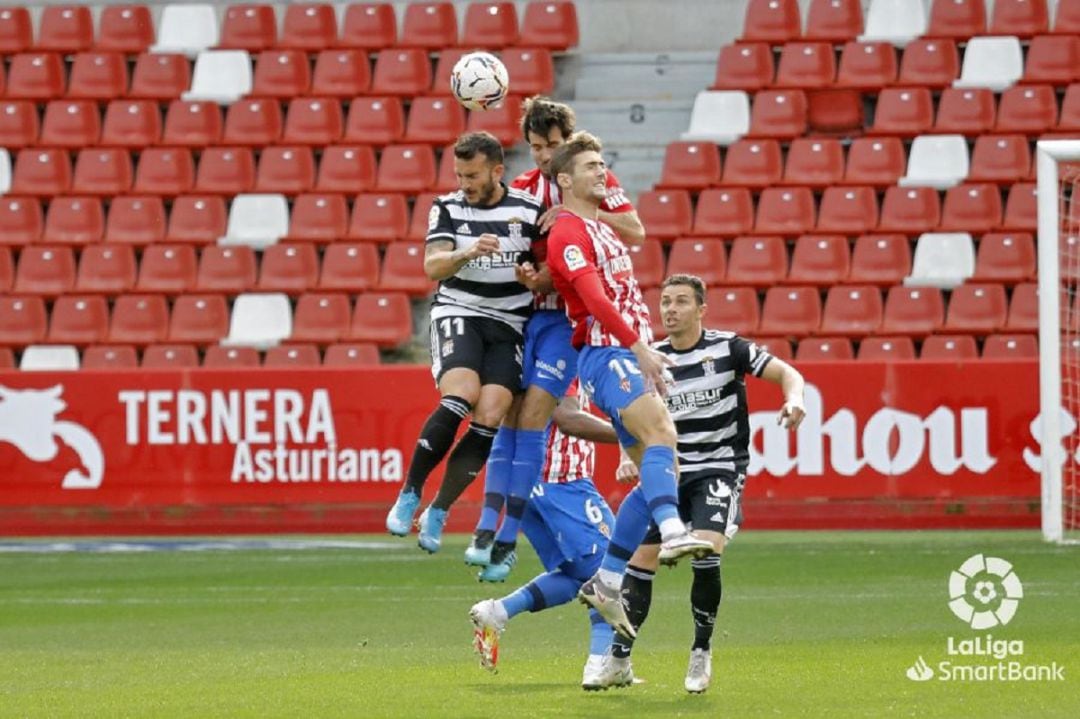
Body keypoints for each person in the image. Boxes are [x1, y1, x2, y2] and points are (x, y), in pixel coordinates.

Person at [595, 274, 807, 693]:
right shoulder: (650, 359)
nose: (670, 310)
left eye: (680, 302)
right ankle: (619, 658)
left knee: (706, 552)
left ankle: (701, 652)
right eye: (665, 302)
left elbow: (789, 374)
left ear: (700, 309)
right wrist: (625, 456)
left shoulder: (729, 348)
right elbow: (630, 420)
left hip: (718, 468)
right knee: (641, 562)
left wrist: (795, 399)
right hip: (668, 475)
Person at [467, 97, 645, 582]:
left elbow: (636, 230)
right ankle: (499, 536)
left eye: (554, 145)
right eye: (538, 147)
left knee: (559, 415)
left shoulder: (591, 184)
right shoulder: (521, 188)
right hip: (525, 318)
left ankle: (636, 443)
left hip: (567, 323)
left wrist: (582, 215)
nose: (546, 156)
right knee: (507, 414)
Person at [544, 132, 714, 638]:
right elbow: (593, 298)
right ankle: (674, 531)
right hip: (606, 353)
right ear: (566, 180)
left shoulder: (601, 227)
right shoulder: (567, 233)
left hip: (629, 352)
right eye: (593, 166)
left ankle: (608, 578)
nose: (604, 172)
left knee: (657, 470)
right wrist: (638, 347)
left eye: (604, 164)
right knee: (663, 432)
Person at [385, 132, 542, 553]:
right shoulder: (448, 206)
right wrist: (466, 253)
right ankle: (410, 492)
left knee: (490, 414)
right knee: (462, 396)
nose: (464, 183)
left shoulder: (529, 210)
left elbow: (544, 269)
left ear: (496, 170)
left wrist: (535, 279)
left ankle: (439, 508)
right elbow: (433, 265)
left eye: (472, 175)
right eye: (459, 174)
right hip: (461, 311)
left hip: (510, 323)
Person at [468, 380, 638, 689]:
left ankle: (499, 611)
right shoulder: (562, 358)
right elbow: (567, 419)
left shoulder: (534, 355)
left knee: (576, 576)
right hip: (562, 482)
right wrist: (631, 435)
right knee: (608, 574)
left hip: (529, 484)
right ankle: (600, 663)